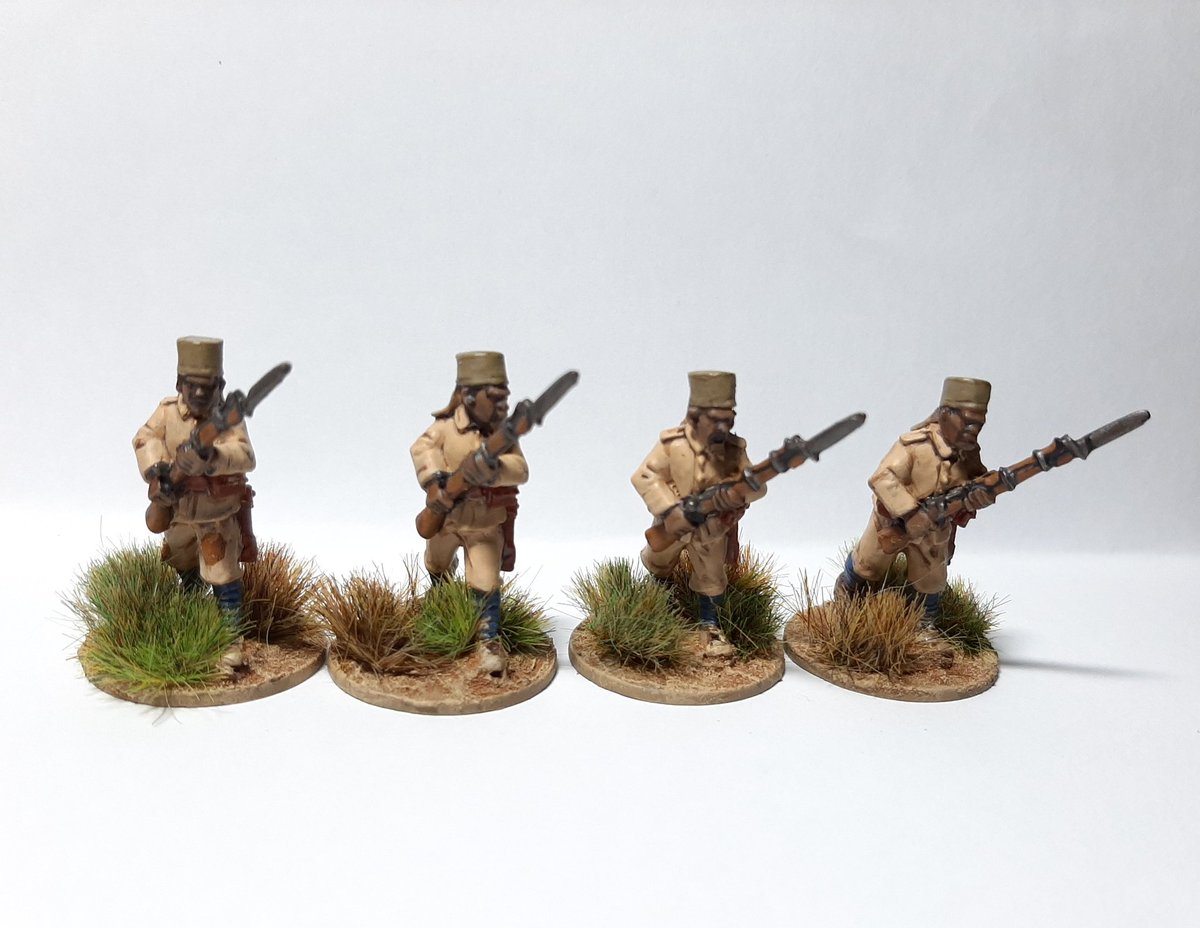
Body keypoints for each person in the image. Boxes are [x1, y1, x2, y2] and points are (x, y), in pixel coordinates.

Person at [133, 336, 256, 666]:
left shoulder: (228, 418)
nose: (200, 393)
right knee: (181, 559)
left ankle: (230, 637)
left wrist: (213, 458)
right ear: (180, 384)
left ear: (220, 386)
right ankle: (189, 615)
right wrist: (158, 470)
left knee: (222, 571)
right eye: (192, 385)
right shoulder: (167, 412)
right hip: (178, 510)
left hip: (215, 512)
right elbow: (145, 438)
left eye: (209, 386)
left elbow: (245, 455)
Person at [837, 376, 994, 622]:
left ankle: (924, 622)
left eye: (978, 423)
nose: (973, 430)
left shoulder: (969, 454)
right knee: (867, 564)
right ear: (945, 414)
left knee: (930, 580)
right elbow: (882, 478)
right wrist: (911, 512)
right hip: (892, 521)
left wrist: (981, 496)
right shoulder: (915, 445)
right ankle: (847, 593)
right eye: (967, 421)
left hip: (933, 532)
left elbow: (976, 482)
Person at [632, 371, 766, 657]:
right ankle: (659, 600)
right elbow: (645, 476)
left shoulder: (734, 450)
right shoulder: (673, 444)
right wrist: (671, 508)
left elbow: (758, 487)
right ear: (695, 416)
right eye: (716, 419)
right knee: (659, 561)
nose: (724, 426)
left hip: (712, 529)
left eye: (729, 418)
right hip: (673, 523)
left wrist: (743, 491)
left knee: (711, 576)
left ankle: (710, 625)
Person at [411, 351, 528, 677]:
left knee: (486, 582)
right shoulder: (445, 428)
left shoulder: (504, 435)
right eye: (495, 398)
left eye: (504, 397)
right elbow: (421, 449)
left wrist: (493, 469)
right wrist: (436, 483)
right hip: (447, 520)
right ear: (469, 396)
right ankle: (439, 602)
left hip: (485, 524)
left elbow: (520, 470)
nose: (502, 405)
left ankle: (488, 641)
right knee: (436, 563)